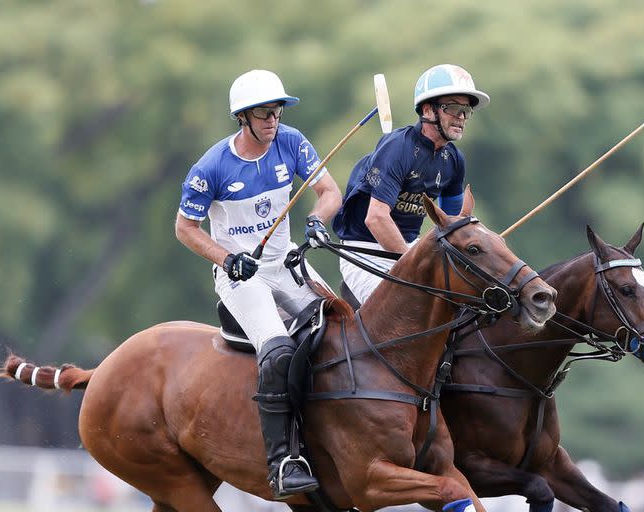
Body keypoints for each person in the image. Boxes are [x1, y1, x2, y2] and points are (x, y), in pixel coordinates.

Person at [175, 69, 342, 499]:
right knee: (279, 351)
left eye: (277, 113)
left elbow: (329, 192)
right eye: (265, 114)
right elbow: (185, 228)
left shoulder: (291, 141)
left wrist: (316, 221)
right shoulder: (211, 166)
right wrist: (228, 259)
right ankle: (284, 460)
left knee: (345, 326)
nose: (274, 122)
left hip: (286, 264)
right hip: (241, 278)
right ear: (243, 117)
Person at [332, 64, 489, 305]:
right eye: (454, 108)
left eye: (466, 110)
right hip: (364, 250)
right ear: (428, 110)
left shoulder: (454, 159)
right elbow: (375, 218)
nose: (461, 117)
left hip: (410, 246)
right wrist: (414, 264)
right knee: (404, 311)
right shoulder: (398, 148)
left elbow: (452, 222)